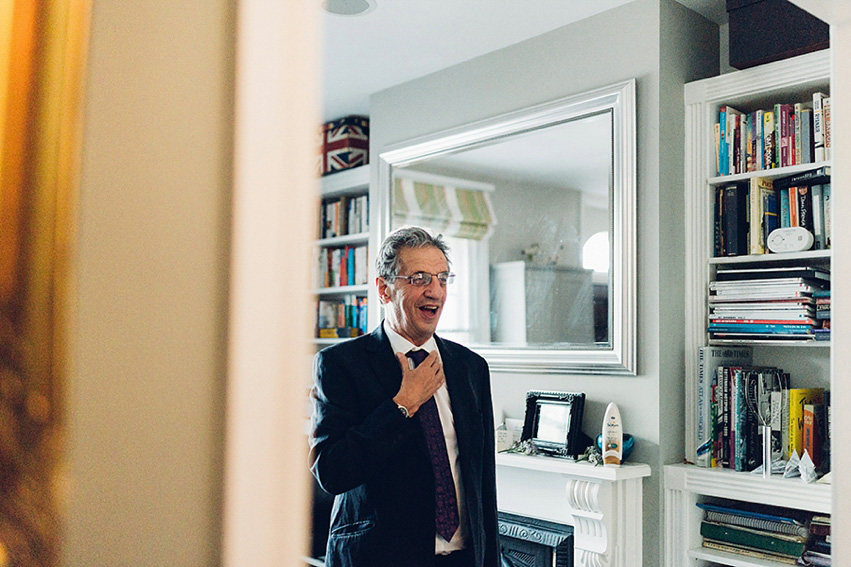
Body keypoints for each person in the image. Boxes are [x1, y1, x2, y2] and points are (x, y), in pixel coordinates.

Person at [309, 226, 499, 567]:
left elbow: (483, 480)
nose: (435, 291)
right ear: (385, 288)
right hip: (378, 558)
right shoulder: (340, 364)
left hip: (462, 559)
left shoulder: (471, 367)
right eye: (420, 278)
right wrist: (402, 405)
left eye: (443, 278)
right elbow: (332, 472)